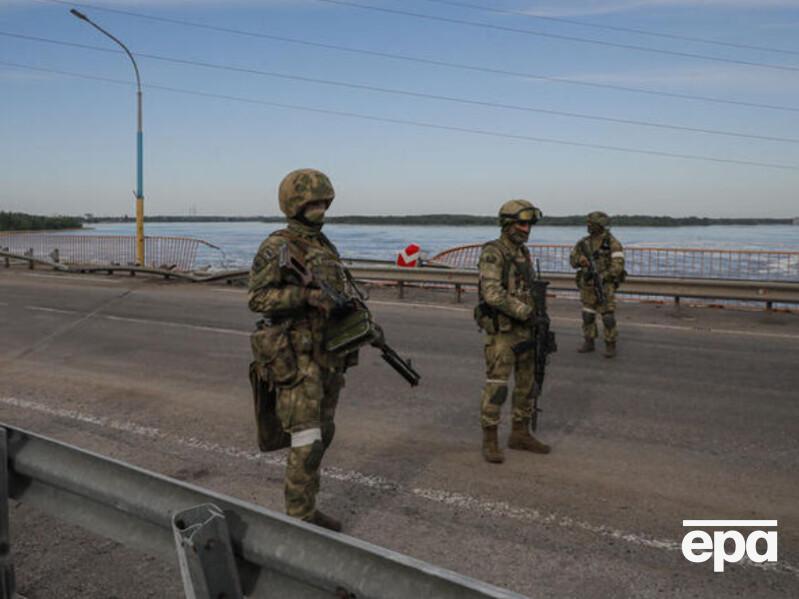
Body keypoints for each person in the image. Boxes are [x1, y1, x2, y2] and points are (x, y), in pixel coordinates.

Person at [248, 168, 356, 531]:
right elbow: (258, 298)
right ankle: (299, 523)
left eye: (324, 201)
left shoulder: (324, 245)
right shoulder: (277, 245)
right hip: (297, 358)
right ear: (294, 203)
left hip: (328, 356)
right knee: (307, 441)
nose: (320, 207)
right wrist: (307, 296)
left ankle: (308, 508)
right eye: (313, 201)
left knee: (323, 434)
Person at [474, 200, 551, 464]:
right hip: (504, 332)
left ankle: (520, 433)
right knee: (497, 387)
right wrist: (525, 312)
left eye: (529, 223)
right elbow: (492, 293)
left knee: (527, 385)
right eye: (521, 223)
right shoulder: (493, 252)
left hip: (527, 330)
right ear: (507, 224)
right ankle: (490, 439)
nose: (526, 228)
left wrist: (538, 316)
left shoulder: (523, 252)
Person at [569, 211, 626, 358]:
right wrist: (580, 259)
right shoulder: (583, 242)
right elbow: (572, 260)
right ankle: (589, 341)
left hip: (605, 285)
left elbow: (618, 265)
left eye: (592, 224)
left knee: (607, 316)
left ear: (600, 225)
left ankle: (610, 344)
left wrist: (603, 276)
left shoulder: (612, 243)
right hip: (587, 285)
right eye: (588, 223)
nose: (588, 226)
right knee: (587, 314)